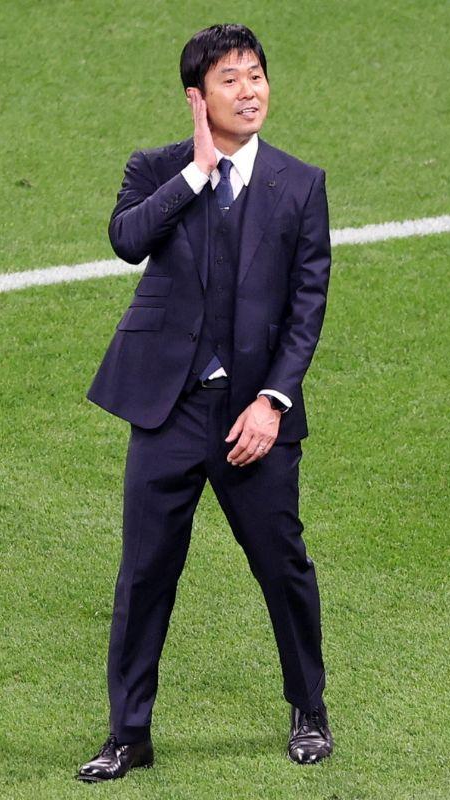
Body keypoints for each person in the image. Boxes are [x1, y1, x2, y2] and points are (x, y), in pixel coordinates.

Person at [76, 23, 334, 782]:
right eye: (231, 80)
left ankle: (309, 709)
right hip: (169, 410)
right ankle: (129, 735)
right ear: (198, 97)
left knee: (282, 565)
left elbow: (306, 303)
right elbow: (126, 239)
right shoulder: (156, 169)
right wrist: (193, 173)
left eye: (256, 76)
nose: (250, 91)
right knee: (144, 573)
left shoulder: (302, 184)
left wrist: (274, 402)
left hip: (254, 414)